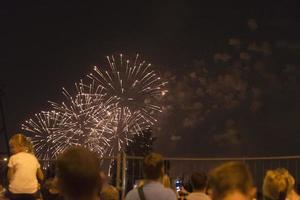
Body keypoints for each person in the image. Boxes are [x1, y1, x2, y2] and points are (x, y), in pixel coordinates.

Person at [7, 134, 44, 200]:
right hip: (32, 191)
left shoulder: (13, 157)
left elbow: (9, 176)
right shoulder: (34, 158)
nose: (11, 150)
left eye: (12, 147)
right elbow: (41, 177)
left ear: (21, 146)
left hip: (15, 191)